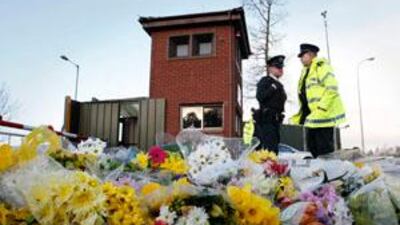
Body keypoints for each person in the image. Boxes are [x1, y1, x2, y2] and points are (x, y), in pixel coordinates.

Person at [290, 43, 346, 158]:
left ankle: (328, 174)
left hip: (322, 118)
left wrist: (321, 108)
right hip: (311, 118)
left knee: (324, 152)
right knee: (312, 152)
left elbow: (332, 89)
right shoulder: (306, 71)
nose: (300, 59)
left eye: (302, 55)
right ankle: (318, 174)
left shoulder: (322, 67)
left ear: (311, 54)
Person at [254, 55, 287, 154]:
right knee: (268, 149)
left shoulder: (280, 85)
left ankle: (273, 168)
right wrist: (272, 87)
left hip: (276, 120)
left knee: (274, 148)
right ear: (270, 68)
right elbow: (260, 97)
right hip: (266, 120)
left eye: (281, 67)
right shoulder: (265, 81)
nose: (280, 69)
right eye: (277, 67)